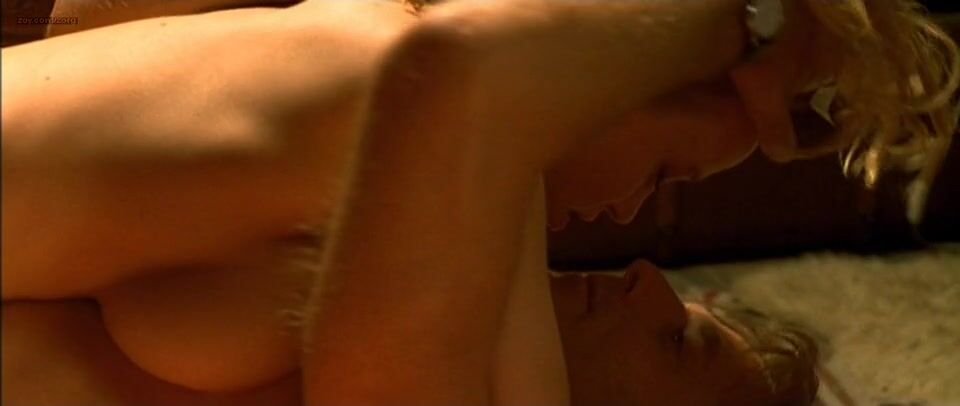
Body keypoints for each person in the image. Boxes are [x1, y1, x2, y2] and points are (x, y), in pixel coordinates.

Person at [1, 0, 955, 405]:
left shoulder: (390, 75)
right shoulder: (407, 86)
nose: (634, 240)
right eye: (663, 173)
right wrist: (735, 27)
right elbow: (468, 65)